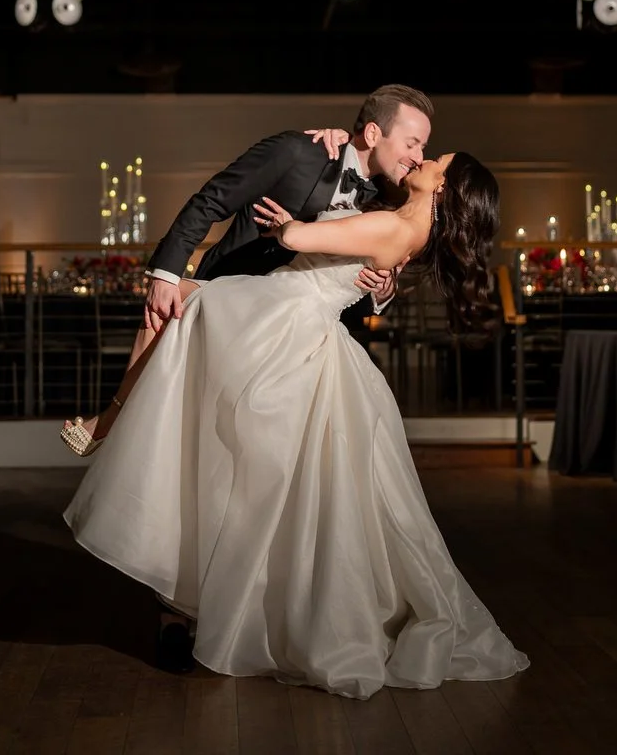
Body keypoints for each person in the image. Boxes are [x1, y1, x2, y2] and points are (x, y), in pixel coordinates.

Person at [62, 150, 530, 698]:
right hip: (297, 320)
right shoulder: (408, 231)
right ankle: (118, 431)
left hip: (279, 315)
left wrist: (287, 227)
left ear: (445, 187)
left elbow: (296, 244)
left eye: (436, 160)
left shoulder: (390, 223)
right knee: (264, 471)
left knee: (176, 311)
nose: (423, 159)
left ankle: (111, 421)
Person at [60, 85, 433, 454]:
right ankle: (114, 421)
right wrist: (166, 273)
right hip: (232, 306)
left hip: (299, 342)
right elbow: (212, 199)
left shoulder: (389, 203)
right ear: (372, 133)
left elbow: (341, 288)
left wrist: (380, 295)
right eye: (412, 143)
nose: (418, 157)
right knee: (192, 417)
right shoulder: (298, 151)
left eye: (423, 148)